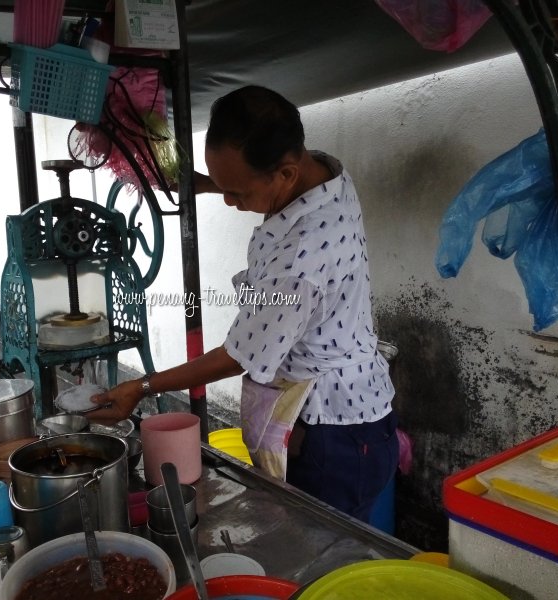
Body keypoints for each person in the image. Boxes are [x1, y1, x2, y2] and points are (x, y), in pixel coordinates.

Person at [90, 85, 398, 523]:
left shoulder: (302, 258)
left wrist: (141, 387)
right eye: (223, 186)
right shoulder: (322, 171)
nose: (231, 201)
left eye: (237, 191)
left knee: (322, 561)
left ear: (286, 173)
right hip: (358, 413)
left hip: (334, 432)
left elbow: (239, 354)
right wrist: (202, 184)